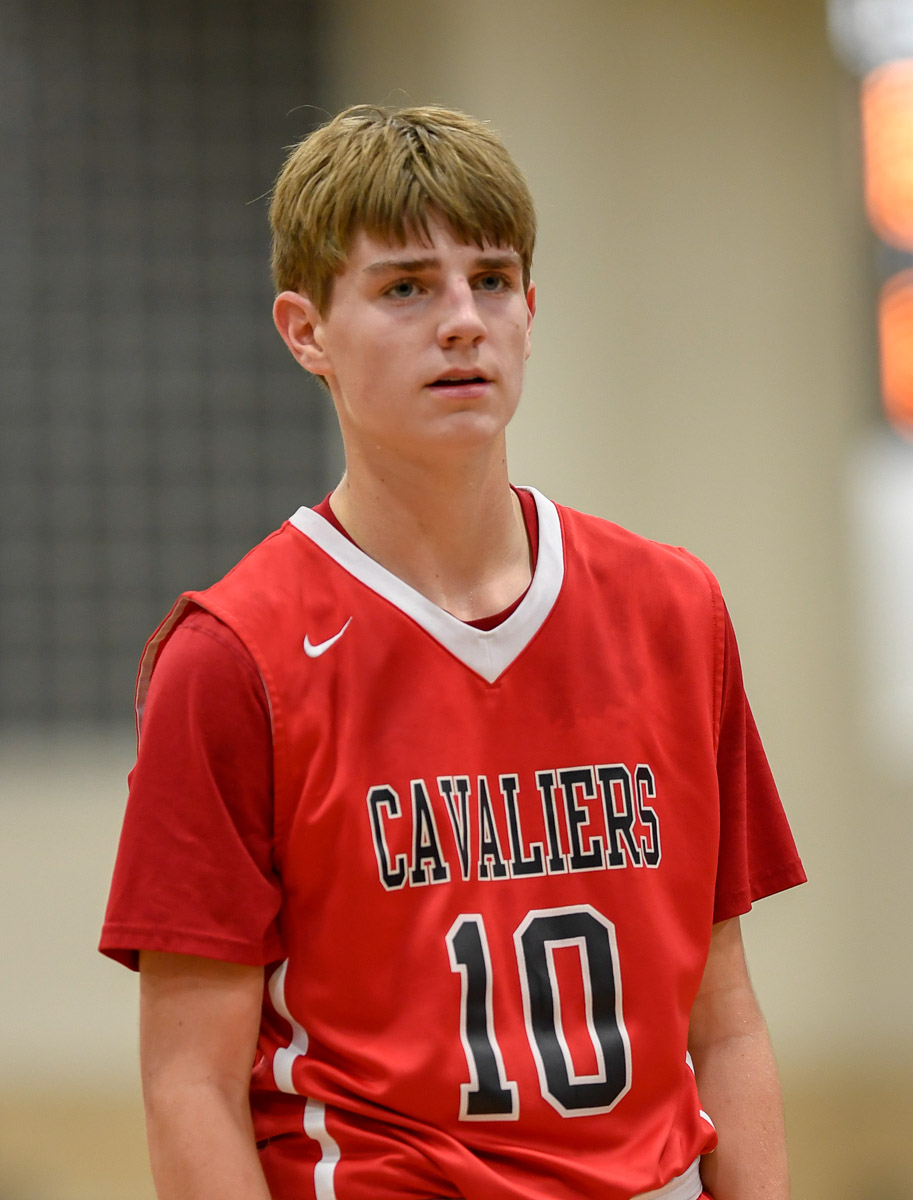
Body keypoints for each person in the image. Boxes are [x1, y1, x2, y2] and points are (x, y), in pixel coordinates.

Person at [100, 104, 806, 1200]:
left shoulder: (675, 610)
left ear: (531, 310)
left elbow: (724, 1021)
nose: (464, 321)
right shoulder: (232, 658)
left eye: (491, 280)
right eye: (405, 288)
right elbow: (189, 1084)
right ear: (305, 332)